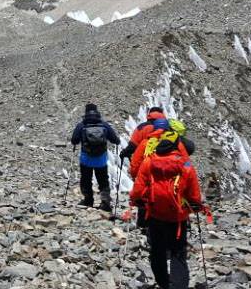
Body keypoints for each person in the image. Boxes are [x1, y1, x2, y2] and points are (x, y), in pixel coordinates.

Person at [129, 133, 204, 289]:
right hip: (177, 217)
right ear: (177, 146)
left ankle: (164, 284)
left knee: (157, 252)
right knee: (178, 253)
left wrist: (136, 201)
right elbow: (194, 192)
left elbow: (137, 190)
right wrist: (195, 204)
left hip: (155, 214)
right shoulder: (185, 164)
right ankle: (178, 286)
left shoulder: (149, 161)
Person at [70, 103, 120, 211]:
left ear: (86, 112)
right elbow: (115, 140)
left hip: (86, 159)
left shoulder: (82, 125)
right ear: (97, 112)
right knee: (103, 180)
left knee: (86, 179)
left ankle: (88, 200)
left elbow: (74, 140)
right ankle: (105, 201)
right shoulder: (104, 124)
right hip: (101, 159)